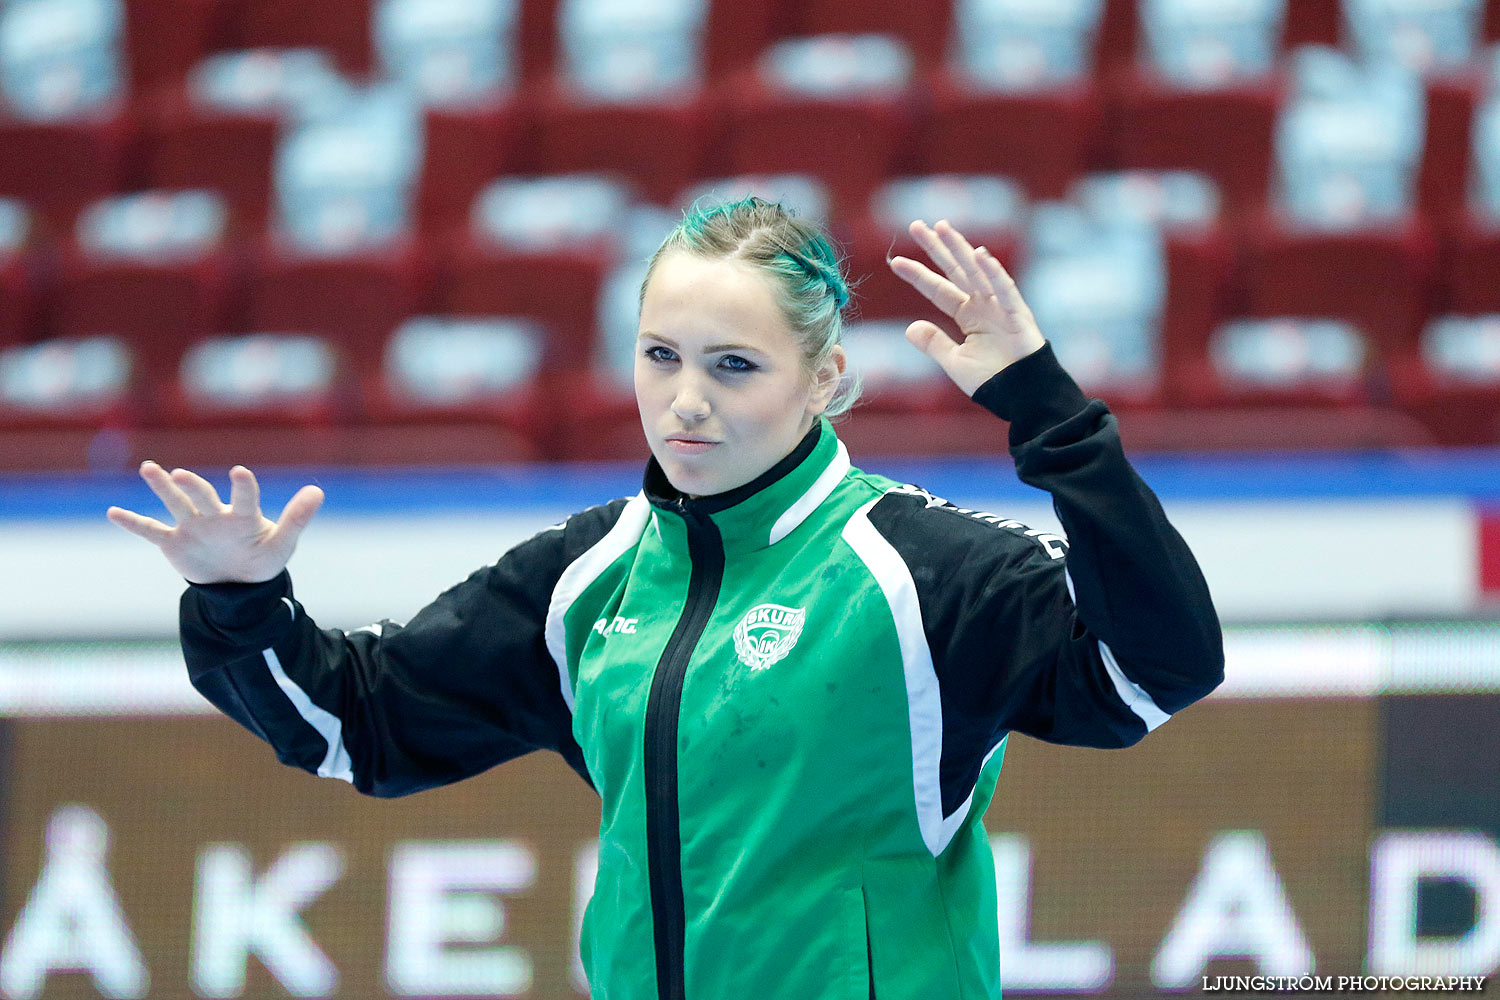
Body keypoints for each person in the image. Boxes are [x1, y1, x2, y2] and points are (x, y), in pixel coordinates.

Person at [107, 198, 1224, 1000]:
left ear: (825, 379)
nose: (684, 403)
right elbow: (361, 723)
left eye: (734, 365)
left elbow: (1155, 671)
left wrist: (1050, 412)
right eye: (659, 356)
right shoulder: (586, 579)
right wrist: (241, 597)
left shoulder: (927, 571)